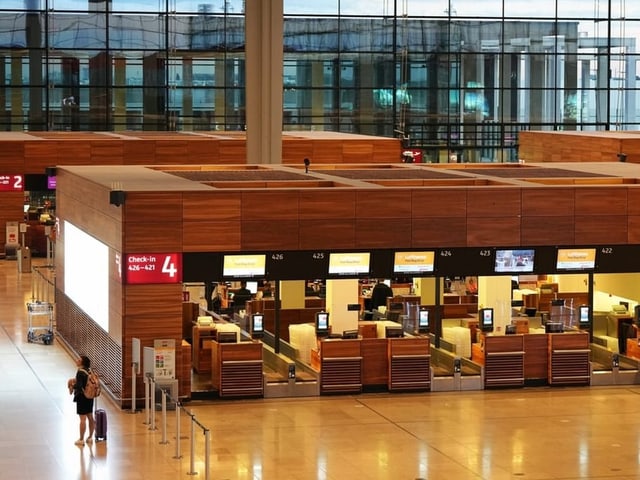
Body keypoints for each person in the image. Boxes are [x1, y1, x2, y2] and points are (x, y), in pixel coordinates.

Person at [71, 355, 95, 446]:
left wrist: (72, 385)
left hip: (82, 397)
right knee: (90, 416)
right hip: (90, 396)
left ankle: (81, 439)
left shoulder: (80, 372)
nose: (77, 360)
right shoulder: (89, 370)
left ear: (82, 363)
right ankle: (90, 437)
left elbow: (79, 386)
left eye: (79, 360)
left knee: (82, 419)